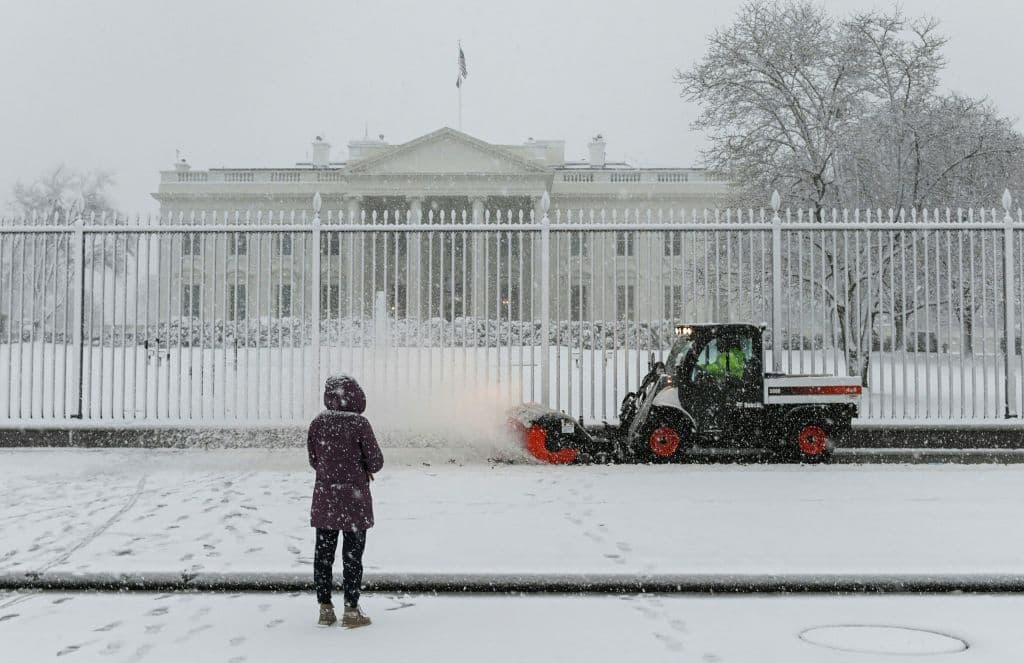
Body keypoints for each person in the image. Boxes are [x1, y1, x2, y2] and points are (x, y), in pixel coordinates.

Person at [308, 374, 384, 628]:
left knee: (324, 554)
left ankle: (325, 609)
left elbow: (314, 459)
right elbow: (376, 462)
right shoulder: (359, 424)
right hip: (354, 500)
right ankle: (351, 611)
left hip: (326, 499)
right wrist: (359, 466)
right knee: (352, 556)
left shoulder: (318, 423)